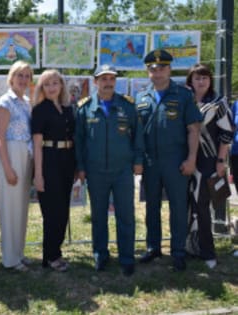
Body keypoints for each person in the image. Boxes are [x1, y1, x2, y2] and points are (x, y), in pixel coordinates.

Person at [136, 49, 202, 271]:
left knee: (178, 207)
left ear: (169, 69)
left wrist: (191, 159)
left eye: (162, 67)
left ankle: (178, 251)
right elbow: (137, 134)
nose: (157, 72)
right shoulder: (141, 97)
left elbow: (194, 129)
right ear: (148, 71)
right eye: (153, 68)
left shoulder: (183, 95)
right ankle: (153, 247)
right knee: (151, 207)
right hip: (150, 162)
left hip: (176, 161)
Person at [75, 65, 144, 276]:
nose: (108, 82)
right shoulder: (84, 108)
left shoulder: (127, 106)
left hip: (122, 170)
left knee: (126, 215)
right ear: (96, 82)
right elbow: (79, 141)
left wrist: (138, 160)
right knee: (98, 217)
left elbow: (138, 136)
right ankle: (100, 255)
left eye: (111, 78)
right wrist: (80, 167)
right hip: (95, 171)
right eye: (103, 78)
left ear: (116, 81)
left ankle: (126, 257)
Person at [185, 63, 233, 269]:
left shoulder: (218, 102)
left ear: (210, 80)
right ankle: (190, 246)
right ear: (190, 81)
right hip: (186, 160)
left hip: (208, 161)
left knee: (202, 206)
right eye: (197, 78)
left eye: (205, 77)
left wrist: (221, 161)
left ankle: (207, 251)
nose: (201, 81)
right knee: (189, 206)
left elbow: (227, 133)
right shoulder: (185, 101)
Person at [31, 69, 75, 272]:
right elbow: (37, 145)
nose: (51, 87)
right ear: (42, 87)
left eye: (55, 83)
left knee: (63, 210)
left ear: (61, 86)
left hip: (66, 161)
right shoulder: (40, 110)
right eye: (47, 84)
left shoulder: (67, 109)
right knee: (52, 212)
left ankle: (56, 251)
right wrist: (38, 174)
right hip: (48, 161)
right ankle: (50, 256)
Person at [0, 61, 34, 272]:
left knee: (21, 208)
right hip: (9, 154)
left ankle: (19, 252)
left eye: (27, 76)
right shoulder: (5, 102)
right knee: (9, 208)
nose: (24, 79)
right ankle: (9, 258)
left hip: (24, 156)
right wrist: (8, 168)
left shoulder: (26, 101)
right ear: (11, 77)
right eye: (20, 75)